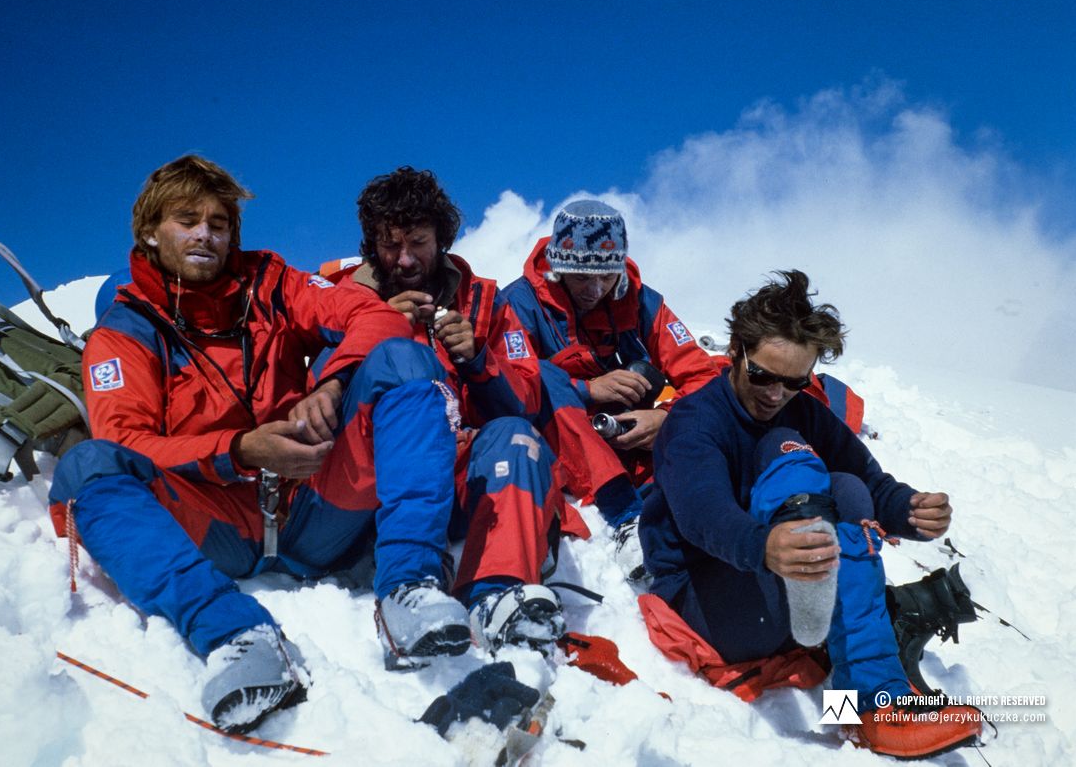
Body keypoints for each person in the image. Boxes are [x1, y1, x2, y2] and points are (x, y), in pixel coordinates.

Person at [49, 156, 475, 735]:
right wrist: (242, 449)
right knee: (86, 467)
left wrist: (333, 382)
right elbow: (127, 440)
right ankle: (235, 635)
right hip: (215, 522)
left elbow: (369, 313)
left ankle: (409, 587)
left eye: (219, 223)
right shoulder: (124, 333)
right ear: (149, 232)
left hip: (313, 508)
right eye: (186, 220)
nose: (205, 234)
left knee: (404, 358)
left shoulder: (271, 284)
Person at [638, 270, 983, 759]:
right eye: (762, 375)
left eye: (794, 382)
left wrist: (909, 511)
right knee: (788, 452)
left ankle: (859, 710)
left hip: (785, 595)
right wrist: (764, 546)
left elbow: (870, 482)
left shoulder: (805, 412)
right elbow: (704, 515)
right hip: (706, 594)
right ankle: (875, 701)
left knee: (847, 488)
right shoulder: (695, 423)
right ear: (735, 351)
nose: (775, 395)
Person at [321, 166, 565, 651]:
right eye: (390, 244)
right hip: (366, 474)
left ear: (442, 240)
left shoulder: (486, 302)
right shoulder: (340, 299)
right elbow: (313, 393)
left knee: (516, 438)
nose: (405, 258)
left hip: (455, 469)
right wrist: (376, 330)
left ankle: (496, 594)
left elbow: (528, 401)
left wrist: (479, 359)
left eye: (418, 242)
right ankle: (405, 577)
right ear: (371, 245)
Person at [500, 200, 720, 576]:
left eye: (606, 276)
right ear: (557, 269)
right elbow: (512, 387)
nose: (595, 289)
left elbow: (701, 374)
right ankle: (625, 516)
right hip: (557, 438)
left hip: (625, 439)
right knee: (543, 376)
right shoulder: (519, 304)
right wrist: (587, 390)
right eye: (582, 278)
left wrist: (666, 419)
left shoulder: (641, 300)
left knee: (727, 375)